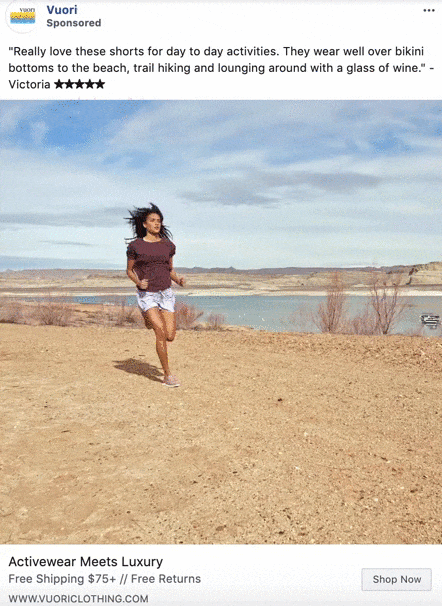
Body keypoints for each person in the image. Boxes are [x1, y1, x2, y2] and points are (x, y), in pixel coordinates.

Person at [126, 205, 185, 387]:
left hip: (166, 293)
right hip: (148, 294)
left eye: (159, 221)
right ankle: (168, 376)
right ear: (144, 224)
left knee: (170, 336)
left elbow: (170, 269)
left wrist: (178, 279)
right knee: (159, 333)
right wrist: (138, 282)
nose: (156, 223)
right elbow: (129, 270)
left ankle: (148, 318)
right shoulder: (136, 245)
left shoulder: (168, 245)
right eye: (152, 220)